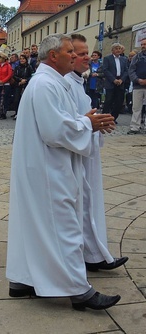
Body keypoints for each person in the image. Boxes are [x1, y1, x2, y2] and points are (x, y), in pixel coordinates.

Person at [6, 34, 121, 310]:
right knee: (64, 226)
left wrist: (86, 121)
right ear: (53, 56)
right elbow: (54, 130)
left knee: (35, 226)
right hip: (49, 169)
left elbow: (65, 121)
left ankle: (22, 280)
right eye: (69, 51)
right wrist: (87, 124)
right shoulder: (45, 84)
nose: (75, 55)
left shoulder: (53, 82)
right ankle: (79, 290)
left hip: (44, 165)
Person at [66, 33, 128, 272]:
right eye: (80, 54)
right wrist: (90, 124)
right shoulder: (64, 84)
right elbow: (67, 123)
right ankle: (88, 256)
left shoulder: (77, 81)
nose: (86, 58)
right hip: (77, 152)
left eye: (87, 54)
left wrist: (99, 124)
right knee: (82, 205)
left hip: (87, 149)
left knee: (89, 205)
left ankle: (94, 253)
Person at [102, 43, 128, 122]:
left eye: (119, 49)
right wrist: (113, 80)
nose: (118, 50)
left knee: (119, 101)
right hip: (111, 82)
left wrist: (121, 80)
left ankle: (113, 118)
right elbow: (105, 70)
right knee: (108, 100)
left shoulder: (124, 59)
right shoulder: (107, 58)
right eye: (116, 49)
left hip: (120, 82)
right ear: (112, 50)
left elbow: (126, 71)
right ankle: (104, 117)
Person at [127, 38, 146, 134]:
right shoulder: (136, 57)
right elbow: (131, 70)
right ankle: (135, 127)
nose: (143, 46)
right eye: (142, 44)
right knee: (136, 107)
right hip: (138, 86)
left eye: (145, 44)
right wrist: (137, 80)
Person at [11, 54, 33, 119]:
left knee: (26, 100)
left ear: (26, 60)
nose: (22, 60)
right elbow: (14, 76)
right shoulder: (17, 67)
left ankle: (26, 114)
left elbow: (32, 75)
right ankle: (17, 113)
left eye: (23, 59)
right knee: (16, 100)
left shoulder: (29, 67)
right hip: (18, 84)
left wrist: (25, 80)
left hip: (26, 85)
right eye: (20, 59)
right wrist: (20, 80)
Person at [0, 52, 12, 119]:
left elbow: (9, 74)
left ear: (3, 58)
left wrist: (3, 81)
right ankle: (0, 112)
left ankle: (4, 112)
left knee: (5, 99)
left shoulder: (8, 65)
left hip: (6, 84)